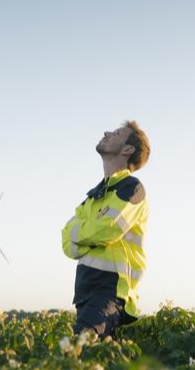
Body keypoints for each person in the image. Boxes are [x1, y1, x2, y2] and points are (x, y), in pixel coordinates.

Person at [61, 120, 151, 337]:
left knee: (80, 346)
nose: (106, 132)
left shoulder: (132, 188)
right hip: (84, 292)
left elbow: (108, 229)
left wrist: (81, 233)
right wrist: (90, 233)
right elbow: (66, 244)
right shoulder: (92, 198)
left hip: (111, 292)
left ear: (128, 149)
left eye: (117, 133)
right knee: (94, 362)